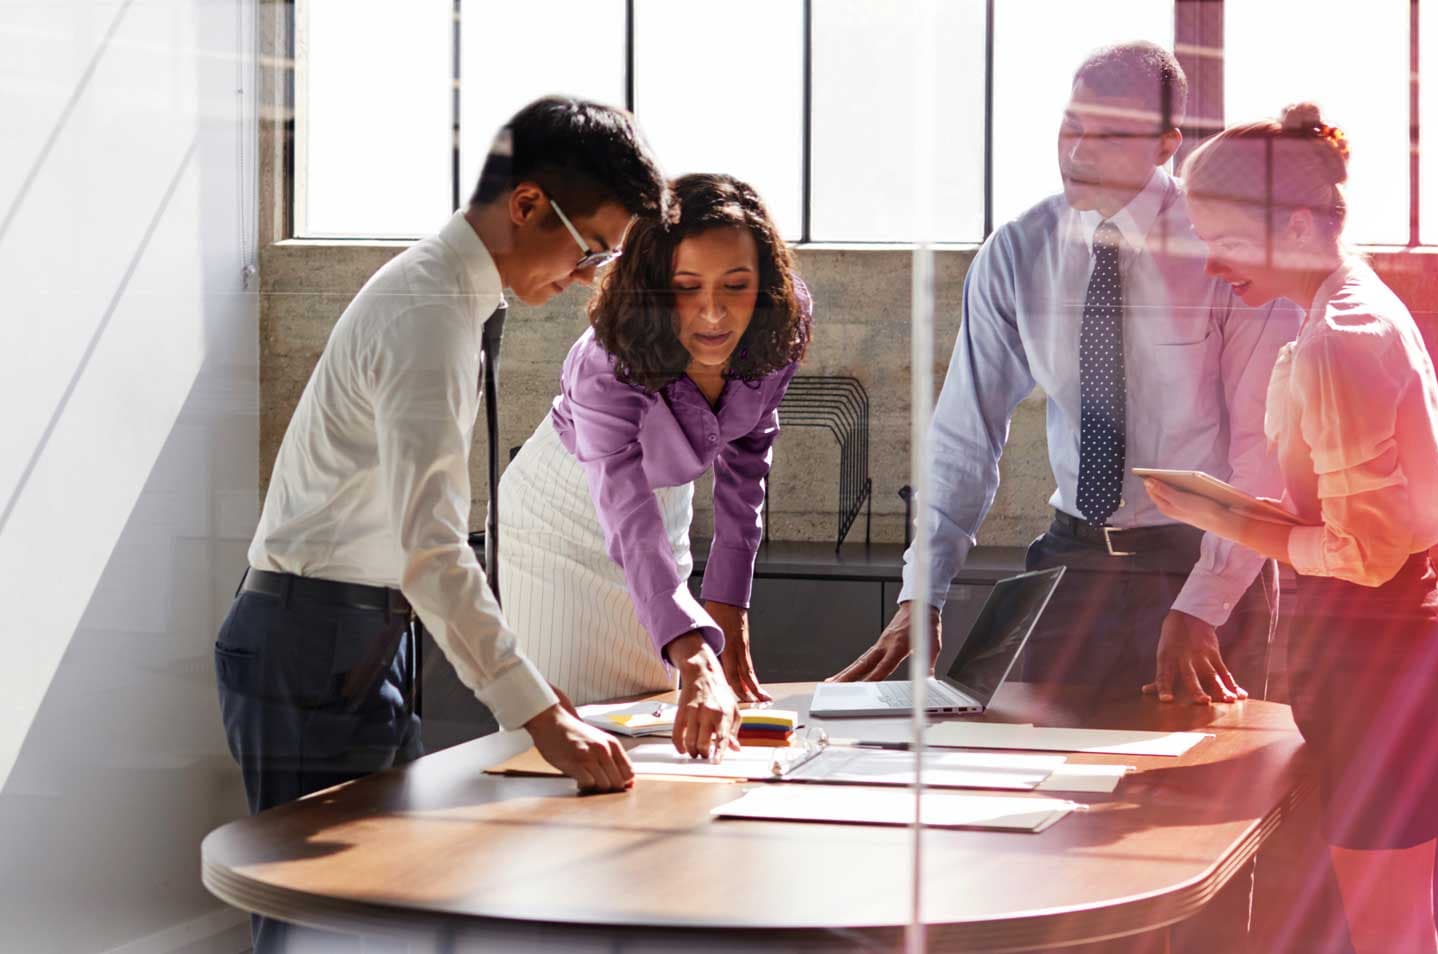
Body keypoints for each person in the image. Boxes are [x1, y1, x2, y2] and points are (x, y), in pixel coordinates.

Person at [215, 94, 666, 952]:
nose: (588, 277)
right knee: (319, 924)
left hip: (349, 637)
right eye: (593, 248)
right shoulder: (429, 315)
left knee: (374, 915)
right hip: (312, 641)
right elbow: (433, 550)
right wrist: (545, 719)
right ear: (528, 204)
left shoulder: (452, 300)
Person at [834, 41, 1298, 711]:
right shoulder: (1019, 252)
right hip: (1072, 562)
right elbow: (965, 436)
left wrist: (1204, 603)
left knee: (1192, 797)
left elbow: (1264, 454)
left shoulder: (1226, 252)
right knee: (1050, 783)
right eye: (1070, 126)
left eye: (1108, 134)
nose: (1078, 151)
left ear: (1167, 143)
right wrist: (922, 592)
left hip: (1202, 558)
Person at [1144, 103, 1438, 954]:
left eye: (1221, 235)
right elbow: (1333, 524)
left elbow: (1362, 558)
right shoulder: (1344, 311)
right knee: (1393, 933)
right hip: (1373, 654)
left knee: (1391, 936)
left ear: (1294, 223)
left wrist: (1226, 517)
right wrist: (1218, 508)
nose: (1209, 260)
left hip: (1382, 660)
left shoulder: (1340, 337)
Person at [497, 173, 810, 746]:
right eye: (687, 287)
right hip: (561, 518)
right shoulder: (606, 360)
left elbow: (748, 453)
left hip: (665, 508)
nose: (714, 314)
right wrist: (694, 654)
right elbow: (624, 514)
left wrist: (727, 610)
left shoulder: (780, 323)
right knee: (566, 742)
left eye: (735, 286)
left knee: (663, 728)